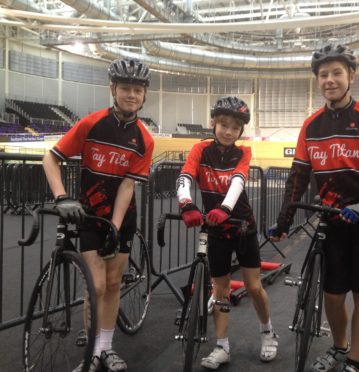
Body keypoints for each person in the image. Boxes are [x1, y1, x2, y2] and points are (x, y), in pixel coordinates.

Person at [270, 44, 359, 372]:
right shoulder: (311, 125)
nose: (329, 80)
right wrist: (282, 222)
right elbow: (298, 178)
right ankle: (339, 346)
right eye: (323, 75)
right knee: (333, 296)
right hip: (333, 219)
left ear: (351, 77)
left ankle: (355, 361)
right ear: (317, 80)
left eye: (337, 73)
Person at [42, 58, 154, 372]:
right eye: (125, 88)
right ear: (112, 89)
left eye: (137, 89)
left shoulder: (145, 138)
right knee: (98, 287)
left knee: (115, 283)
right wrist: (62, 197)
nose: (131, 95)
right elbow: (49, 159)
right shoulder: (91, 124)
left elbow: (128, 185)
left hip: (121, 217)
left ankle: (106, 349)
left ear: (144, 94)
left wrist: (116, 228)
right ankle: (91, 352)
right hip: (89, 215)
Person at [176, 96, 279, 370]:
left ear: (240, 131)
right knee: (220, 289)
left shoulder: (243, 152)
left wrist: (224, 207)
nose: (228, 131)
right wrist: (186, 204)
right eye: (223, 124)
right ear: (214, 123)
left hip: (242, 227)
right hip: (216, 229)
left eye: (235, 127)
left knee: (254, 287)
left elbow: (238, 180)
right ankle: (222, 346)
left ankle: (268, 332)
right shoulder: (200, 149)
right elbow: (185, 176)